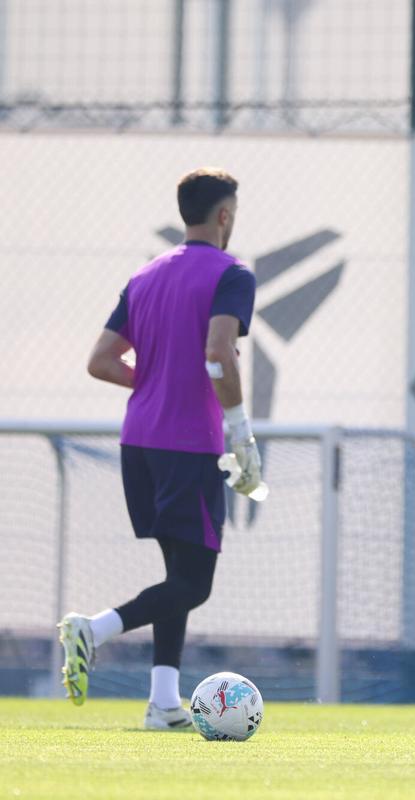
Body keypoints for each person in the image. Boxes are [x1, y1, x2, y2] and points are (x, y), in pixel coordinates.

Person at [58, 167, 263, 730]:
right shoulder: (232, 274)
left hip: (139, 443)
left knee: (177, 574)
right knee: (194, 583)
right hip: (189, 445)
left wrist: (154, 379)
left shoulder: (145, 275)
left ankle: (164, 703)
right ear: (225, 215)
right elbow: (219, 353)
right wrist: (241, 431)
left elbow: (101, 361)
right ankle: (92, 630)